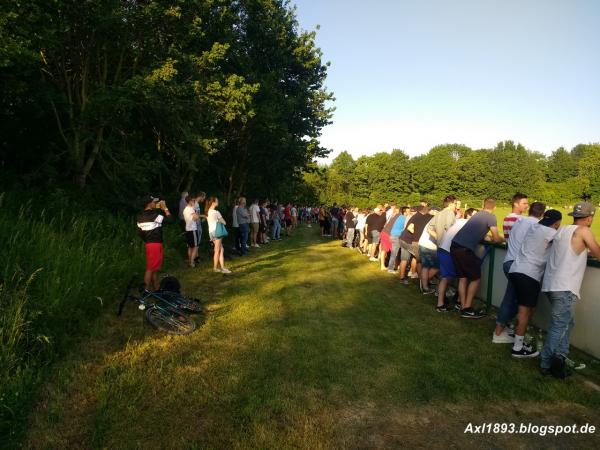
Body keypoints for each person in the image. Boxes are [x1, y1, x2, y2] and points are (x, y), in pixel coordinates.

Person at [540, 202, 600, 377]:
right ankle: (546, 363)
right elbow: (597, 251)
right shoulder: (584, 231)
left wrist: (585, 252)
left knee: (568, 322)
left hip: (552, 284)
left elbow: (571, 250)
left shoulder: (563, 230)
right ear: (589, 218)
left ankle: (560, 358)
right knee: (559, 326)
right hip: (564, 287)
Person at [508, 210, 562, 358]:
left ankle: (517, 336)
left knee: (528, 309)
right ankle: (518, 348)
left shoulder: (535, 227)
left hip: (516, 269)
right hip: (529, 274)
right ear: (557, 223)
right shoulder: (551, 232)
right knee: (525, 311)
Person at [492, 202, 546, 343]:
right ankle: (499, 333)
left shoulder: (519, 221)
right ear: (542, 214)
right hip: (518, 264)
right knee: (512, 299)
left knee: (513, 298)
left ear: (530, 210)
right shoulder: (536, 226)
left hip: (509, 261)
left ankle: (506, 328)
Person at [450, 198, 504, 318]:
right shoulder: (491, 217)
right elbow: (496, 238)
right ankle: (467, 308)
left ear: (483, 205)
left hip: (454, 246)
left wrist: (486, 237)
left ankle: (463, 306)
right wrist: (503, 239)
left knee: (463, 277)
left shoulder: (478, 214)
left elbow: (477, 233)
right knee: (476, 278)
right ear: (494, 208)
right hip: (465, 250)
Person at [436, 208, 477, 311]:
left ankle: (444, 302)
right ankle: (442, 304)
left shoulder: (459, 221)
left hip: (443, 249)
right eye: (475, 215)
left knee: (446, 277)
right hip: (448, 251)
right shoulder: (468, 224)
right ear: (469, 216)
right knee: (451, 278)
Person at [137, 195, 171, 291]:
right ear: (149, 203)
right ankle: (146, 291)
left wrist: (148, 240)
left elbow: (140, 233)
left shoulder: (140, 216)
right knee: (150, 268)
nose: (155, 203)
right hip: (155, 244)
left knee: (155, 267)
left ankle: (156, 288)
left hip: (149, 244)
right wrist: (165, 208)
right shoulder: (155, 215)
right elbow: (170, 220)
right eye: (154, 202)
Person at [398, 205, 432, 284]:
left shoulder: (416, 216)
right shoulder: (418, 217)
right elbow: (410, 228)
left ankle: (407, 276)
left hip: (403, 239)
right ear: (423, 211)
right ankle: (421, 279)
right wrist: (417, 234)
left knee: (408, 258)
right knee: (418, 258)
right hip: (408, 241)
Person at [206, 197, 231, 274]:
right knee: (217, 250)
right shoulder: (216, 212)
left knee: (221, 249)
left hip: (211, 232)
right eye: (217, 201)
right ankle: (217, 268)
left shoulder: (207, 211)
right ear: (213, 202)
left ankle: (221, 267)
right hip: (217, 232)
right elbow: (224, 222)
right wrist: (221, 221)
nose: (218, 201)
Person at [387, 206, 409, 273]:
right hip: (396, 236)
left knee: (394, 253)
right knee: (394, 253)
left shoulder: (398, 217)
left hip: (392, 235)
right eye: (408, 211)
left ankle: (395, 266)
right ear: (404, 212)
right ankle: (390, 268)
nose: (409, 212)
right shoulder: (404, 218)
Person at [380, 206, 400, 270]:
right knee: (386, 250)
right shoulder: (396, 216)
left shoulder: (391, 216)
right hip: (387, 233)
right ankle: (384, 265)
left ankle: (394, 265)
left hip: (386, 232)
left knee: (390, 250)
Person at [183, 195, 200, 268]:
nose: (194, 202)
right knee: (195, 246)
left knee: (190, 247)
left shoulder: (185, 209)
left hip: (187, 229)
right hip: (193, 229)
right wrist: (195, 210)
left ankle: (190, 261)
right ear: (190, 201)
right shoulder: (191, 209)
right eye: (193, 201)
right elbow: (196, 218)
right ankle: (192, 262)